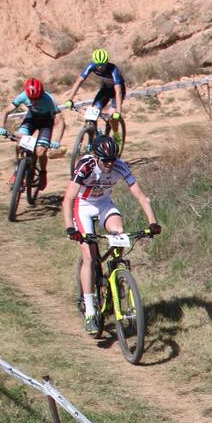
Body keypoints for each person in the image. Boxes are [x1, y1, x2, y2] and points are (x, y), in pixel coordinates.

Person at [61, 135, 161, 335]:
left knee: (120, 235)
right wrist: (70, 228)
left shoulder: (120, 166)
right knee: (89, 256)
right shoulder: (86, 165)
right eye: (106, 160)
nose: (110, 164)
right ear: (96, 157)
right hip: (83, 206)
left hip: (104, 204)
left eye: (113, 160)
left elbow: (139, 195)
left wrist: (153, 222)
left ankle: (115, 277)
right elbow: (68, 199)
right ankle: (90, 310)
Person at [0, 78, 65, 191]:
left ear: (42, 94)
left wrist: (57, 140)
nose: (34, 102)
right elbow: (5, 111)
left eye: (37, 98)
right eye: (31, 99)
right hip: (31, 119)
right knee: (19, 144)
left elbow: (61, 121)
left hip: (46, 123)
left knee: (40, 152)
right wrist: (1, 126)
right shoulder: (23, 95)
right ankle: (17, 171)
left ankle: (43, 173)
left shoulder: (49, 99)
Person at [64, 49, 127, 144]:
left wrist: (118, 111)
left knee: (112, 115)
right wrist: (70, 99)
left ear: (107, 63)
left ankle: (116, 133)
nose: (100, 67)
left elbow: (118, 92)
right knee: (93, 111)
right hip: (105, 90)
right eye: (98, 65)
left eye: (103, 65)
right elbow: (79, 81)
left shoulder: (113, 69)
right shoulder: (92, 66)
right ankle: (93, 138)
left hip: (117, 92)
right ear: (94, 63)